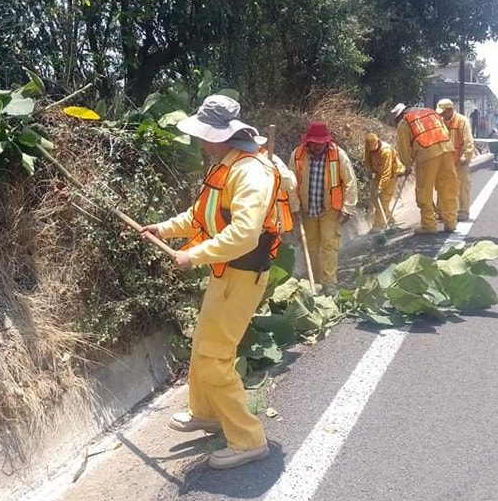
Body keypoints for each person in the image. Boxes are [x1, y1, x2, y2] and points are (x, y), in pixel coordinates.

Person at [141, 95, 284, 469]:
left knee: (215, 357)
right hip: (225, 271)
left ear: (223, 135)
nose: (201, 143)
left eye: (205, 136)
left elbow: (244, 235)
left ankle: (248, 439)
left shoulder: (251, 172)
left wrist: (194, 255)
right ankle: (205, 412)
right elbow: (199, 215)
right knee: (204, 342)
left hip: (243, 274)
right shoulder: (226, 164)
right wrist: (164, 229)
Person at [287, 121, 358, 293]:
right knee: (310, 246)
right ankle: (315, 282)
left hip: (330, 209)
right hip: (307, 209)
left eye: (321, 143)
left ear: (327, 141)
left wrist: (348, 207)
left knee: (329, 245)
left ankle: (329, 283)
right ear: (308, 141)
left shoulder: (338, 155)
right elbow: (290, 183)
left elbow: (350, 182)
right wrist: (295, 207)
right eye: (315, 143)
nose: (318, 146)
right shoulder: (297, 155)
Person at [391, 102, 458, 233]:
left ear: (399, 116)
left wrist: (407, 165)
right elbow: (444, 130)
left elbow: (403, 147)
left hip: (427, 153)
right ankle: (450, 222)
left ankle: (429, 225)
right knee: (447, 187)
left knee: (424, 190)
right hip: (447, 149)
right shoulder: (431, 112)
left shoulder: (405, 121)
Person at [437, 99, 475, 222]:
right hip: (445, 160)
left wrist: (467, 155)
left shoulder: (461, 120)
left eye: (443, 112)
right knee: (443, 186)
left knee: (463, 185)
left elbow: (468, 140)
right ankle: (442, 211)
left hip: (460, 160)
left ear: (450, 110)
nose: (441, 115)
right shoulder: (440, 121)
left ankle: (463, 211)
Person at [364, 132, 404, 229]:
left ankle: (378, 225)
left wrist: (380, 188)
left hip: (391, 174)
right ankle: (389, 219)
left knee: (383, 199)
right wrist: (369, 170)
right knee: (374, 198)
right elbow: (367, 160)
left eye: (372, 147)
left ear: (377, 142)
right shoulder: (368, 148)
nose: (370, 150)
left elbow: (387, 172)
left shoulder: (386, 151)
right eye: (369, 148)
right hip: (378, 172)